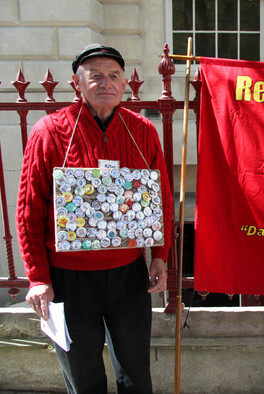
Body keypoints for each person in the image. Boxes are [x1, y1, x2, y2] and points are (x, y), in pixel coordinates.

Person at [16, 44, 173, 393]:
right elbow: (30, 210)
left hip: (128, 275)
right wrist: (38, 277)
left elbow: (160, 198)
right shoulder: (48, 132)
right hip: (69, 279)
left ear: (123, 83)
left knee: (135, 376)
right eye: (96, 75)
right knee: (83, 377)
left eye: (114, 76)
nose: (106, 83)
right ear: (77, 83)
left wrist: (160, 254)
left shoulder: (142, 130)